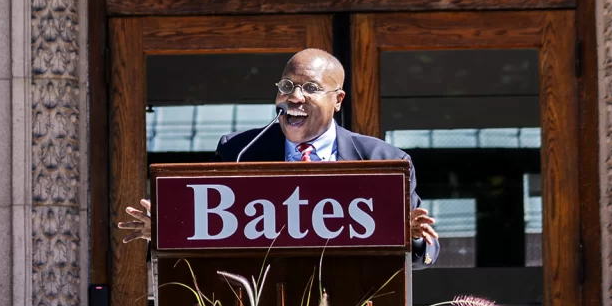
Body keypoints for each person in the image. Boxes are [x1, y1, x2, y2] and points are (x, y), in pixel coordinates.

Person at [117, 47, 442, 263]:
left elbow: (427, 250)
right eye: (286, 85)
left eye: (311, 88)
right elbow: (208, 237)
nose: (294, 97)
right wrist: (169, 230)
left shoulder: (382, 161)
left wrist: (410, 237)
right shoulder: (238, 153)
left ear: (338, 99)